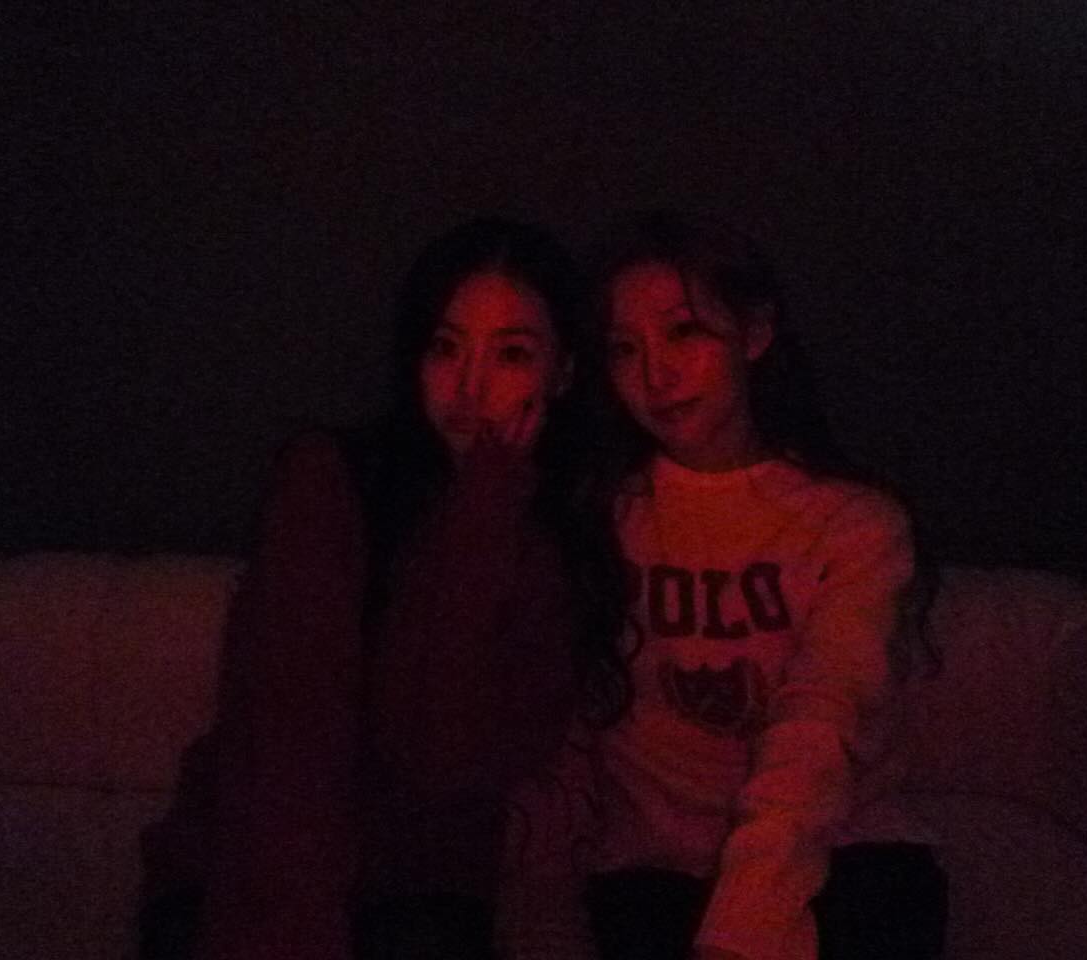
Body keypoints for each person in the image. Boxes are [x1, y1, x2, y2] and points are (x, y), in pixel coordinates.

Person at [135, 217, 625, 960]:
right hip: (249, 876)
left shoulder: (555, 542)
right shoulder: (329, 480)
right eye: (445, 348)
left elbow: (438, 757)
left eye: (512, 354)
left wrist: (484, 507)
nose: (469, 388)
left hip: (423, 883)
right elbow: (291, 743)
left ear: (562, 374)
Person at [497, 211, 946, 960]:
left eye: (684, 333)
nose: (657, 375)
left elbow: (821, 717)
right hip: (655, 869)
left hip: (841, 848)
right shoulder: (602, 517)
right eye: (625, 349)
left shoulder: (852, 524)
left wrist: (747, 918)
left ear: (754, 332)